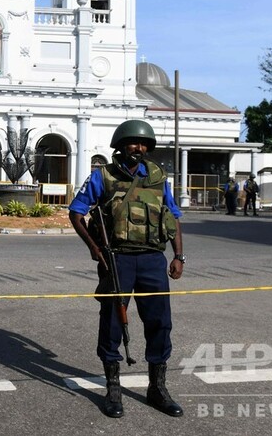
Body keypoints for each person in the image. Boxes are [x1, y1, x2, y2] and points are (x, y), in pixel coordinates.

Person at [69, 119, 185, 419]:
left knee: (160, 323)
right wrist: (94, 249)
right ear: (120, 145)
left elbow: (172, 217)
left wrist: (179, 256)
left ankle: (157, 389)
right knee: (112, 323)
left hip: (152, 260)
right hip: (117, 259)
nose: (140, 147)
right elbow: (76, 212)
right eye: (134, 142)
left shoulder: (158, 177)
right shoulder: (104, 177)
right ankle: (113, 390)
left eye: (144, 143)